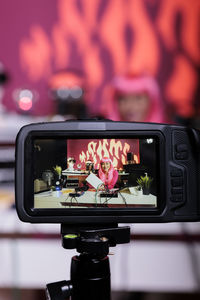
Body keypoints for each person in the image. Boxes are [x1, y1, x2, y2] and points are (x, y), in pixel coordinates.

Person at [101, 74, 166, 123]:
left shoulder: (170, 135)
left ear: (152, 101)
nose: (130, 107)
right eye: (123, 99)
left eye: (138, 98)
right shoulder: (105, 139)